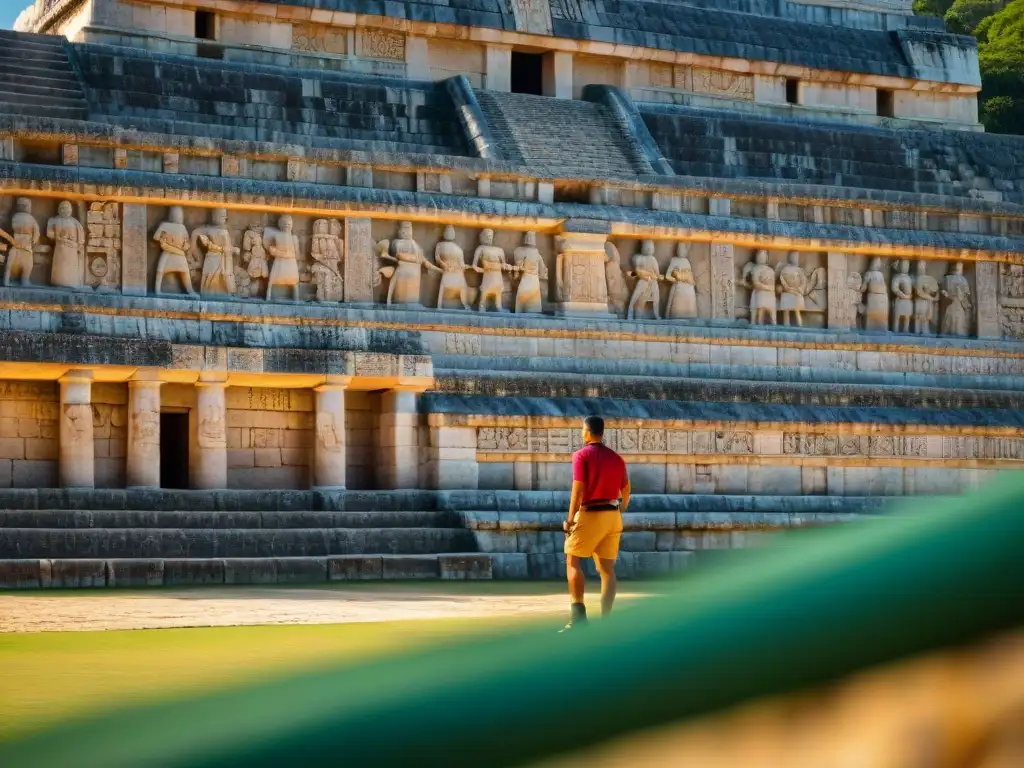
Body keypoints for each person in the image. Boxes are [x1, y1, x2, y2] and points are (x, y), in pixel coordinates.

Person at [561, 416, 631, 631]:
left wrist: (570, 517)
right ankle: (606, 621)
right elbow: (626, 490)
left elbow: (578, 488)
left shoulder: (581, 455)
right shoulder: (617, 458)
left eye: (583, 430)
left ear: (587, 432)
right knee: (607, 569)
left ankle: (578, 618)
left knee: (573, 561)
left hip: (591, 512)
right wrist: (621, 508)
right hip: (613, 515)